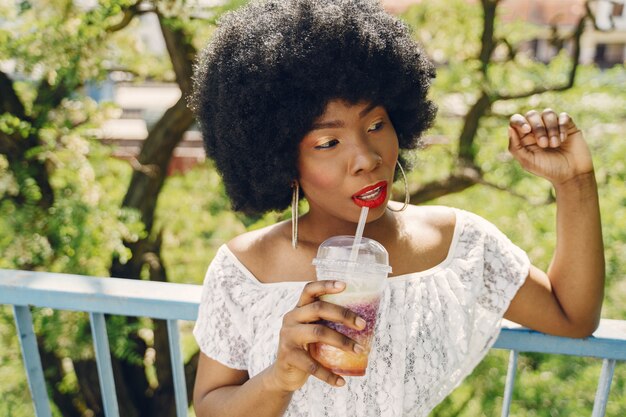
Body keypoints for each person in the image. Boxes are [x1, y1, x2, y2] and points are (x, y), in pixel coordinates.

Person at [189, 1, 605, 416]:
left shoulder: (456, 246)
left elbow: (572, 316)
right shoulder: (244, 270)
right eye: (328, 143)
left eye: (375, 125)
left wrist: (575, 182)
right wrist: (277, 379)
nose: (367, 158)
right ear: (280, 159)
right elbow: (209, 407)